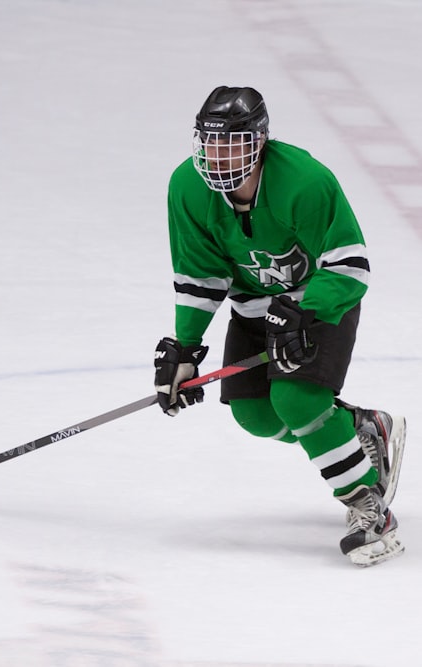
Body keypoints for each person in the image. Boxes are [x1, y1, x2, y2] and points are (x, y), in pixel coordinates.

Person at [152, 85, 406, 567]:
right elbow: (200, 273)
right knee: (256, 416)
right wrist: (185, 349)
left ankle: (365, 503)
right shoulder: (186, 187)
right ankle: (358, 430)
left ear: (260, 142)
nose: (217, 155)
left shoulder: (305, 181)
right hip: (253, 308)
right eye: (209, 142)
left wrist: (309, 310)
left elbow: (350, 263)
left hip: (319, 305)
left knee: (296, 400)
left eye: (231, 143)